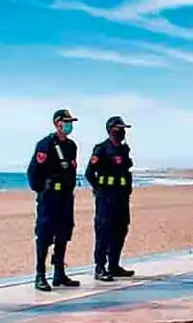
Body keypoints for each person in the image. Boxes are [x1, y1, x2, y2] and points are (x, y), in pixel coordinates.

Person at [26, 109, 82, 291]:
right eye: (65, 121)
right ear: (56, 123)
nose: (68, 125)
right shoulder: (45, 144)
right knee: (44, 234)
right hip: (49, 197)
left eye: (70, 121)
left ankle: (59, 273)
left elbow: (72, 170)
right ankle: (40, 275)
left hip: (65, 196)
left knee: (64, 232)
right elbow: (33, 171)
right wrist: (41, 190)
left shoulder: (71, 146)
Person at [85, 116, 135, 282]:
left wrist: (128, 190)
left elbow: (127, 172)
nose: (122, 132)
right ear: (110, 129)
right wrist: (99, 190)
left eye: (123, 129)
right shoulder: (101, 149)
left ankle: (114, 265)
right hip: (106, 199)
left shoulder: (124, 150)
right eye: (118, 128)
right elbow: (89, 173)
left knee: (121, 230)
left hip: (121, 198)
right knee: (103, 232)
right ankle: (100, 268)